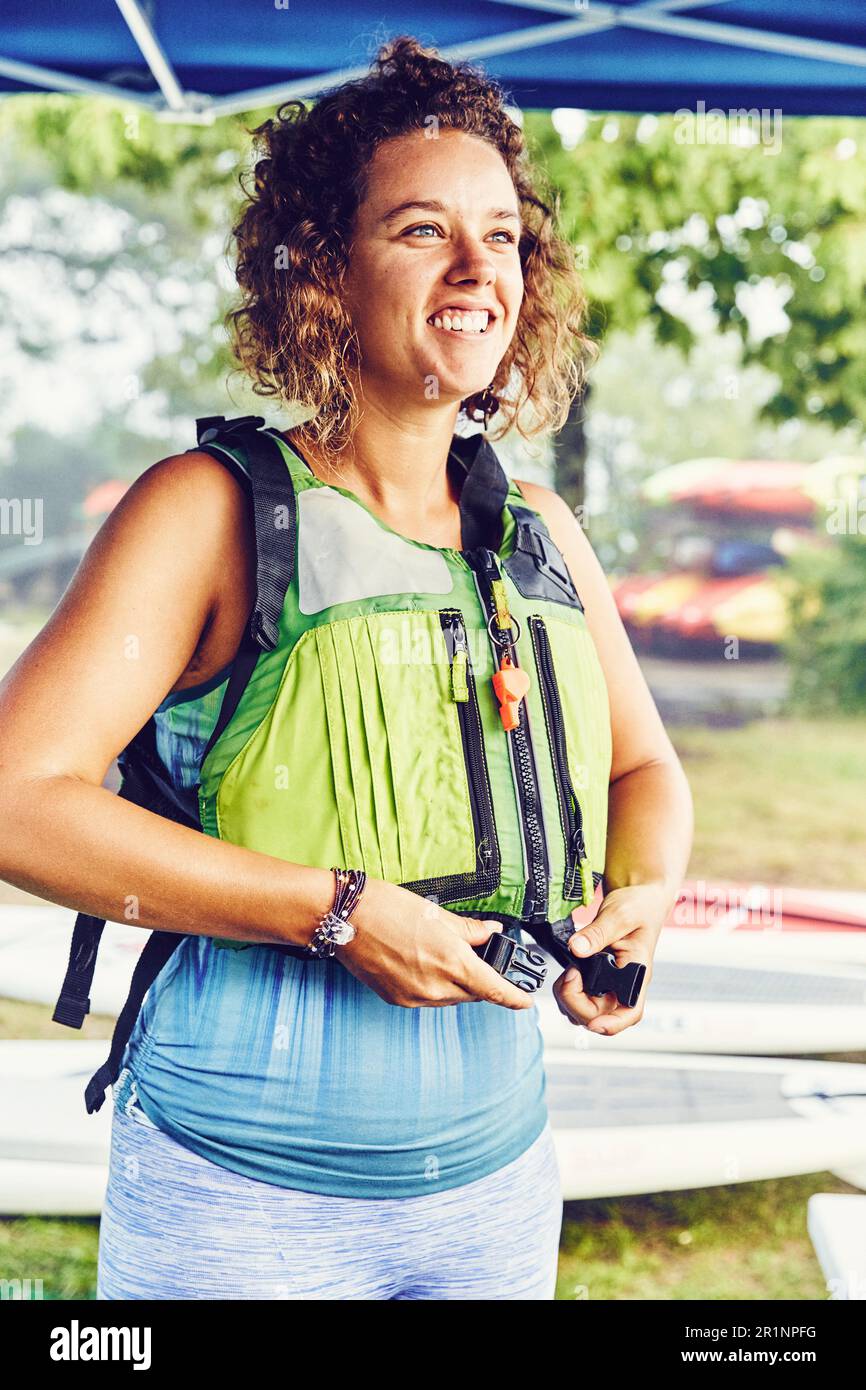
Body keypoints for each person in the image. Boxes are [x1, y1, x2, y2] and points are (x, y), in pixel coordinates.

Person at [0, 36, 693, 1300]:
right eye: (423, 229)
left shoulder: (537, 527)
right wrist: (333, 912)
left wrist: (638, 896)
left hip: (495, 1194)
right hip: (237, 1212)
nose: (479, 270)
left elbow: (645, 768)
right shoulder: (206, 510)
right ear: (321, 269)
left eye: (502, 236)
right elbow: (17, 801)